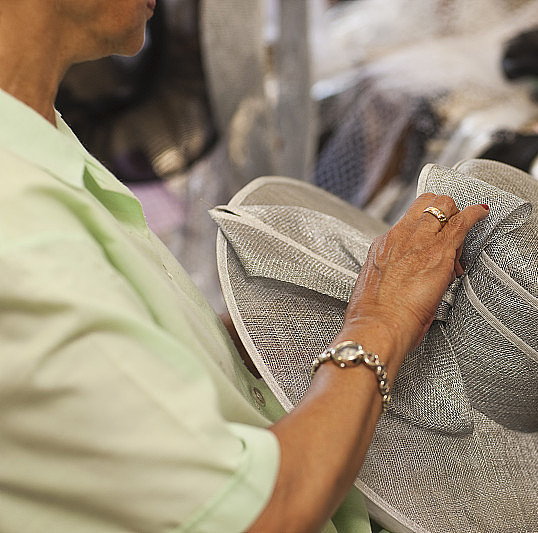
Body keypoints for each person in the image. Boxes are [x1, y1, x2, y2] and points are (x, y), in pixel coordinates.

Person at [0, 2, 488, 532]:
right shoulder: (20, 236)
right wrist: (382, 320)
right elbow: (264, 515)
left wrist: (264, 338)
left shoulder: (37, 139)